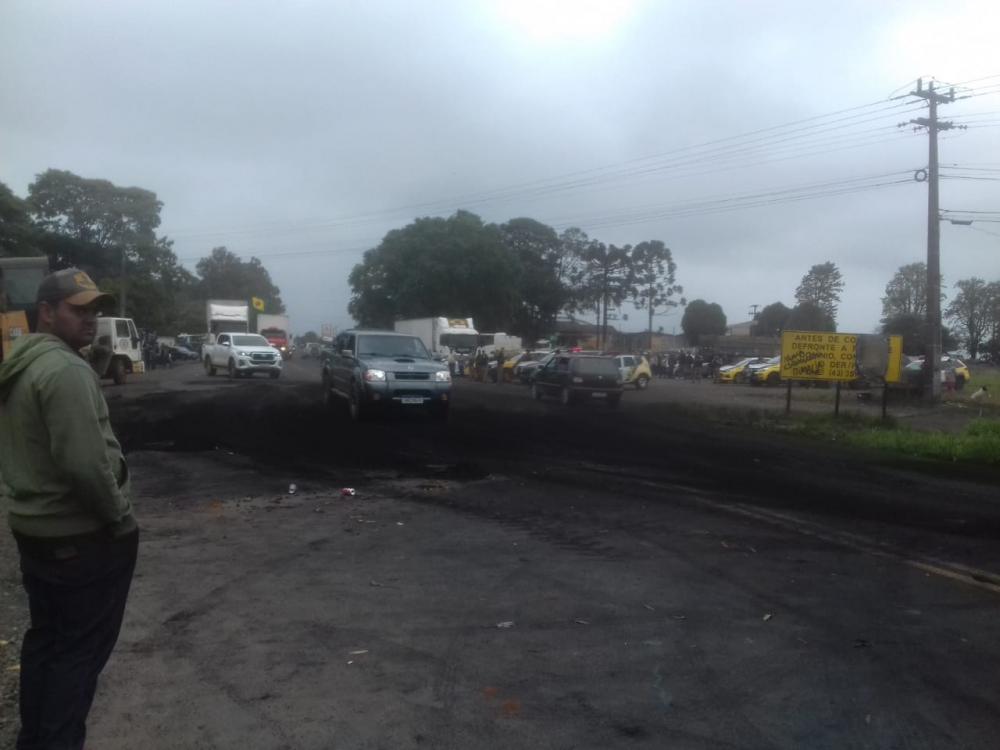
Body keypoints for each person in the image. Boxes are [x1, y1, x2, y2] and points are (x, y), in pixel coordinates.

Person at [0, 268, 139, 750]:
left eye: (94, 309)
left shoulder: (26, 361)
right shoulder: (64, 371)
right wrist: (119, 517)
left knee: (47, 643)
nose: (91, 318)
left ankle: (33, 740)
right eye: (78, 309)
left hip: (35, 530)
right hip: (81, 537)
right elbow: (84, 465)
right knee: (77, 659)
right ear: (46, 312)